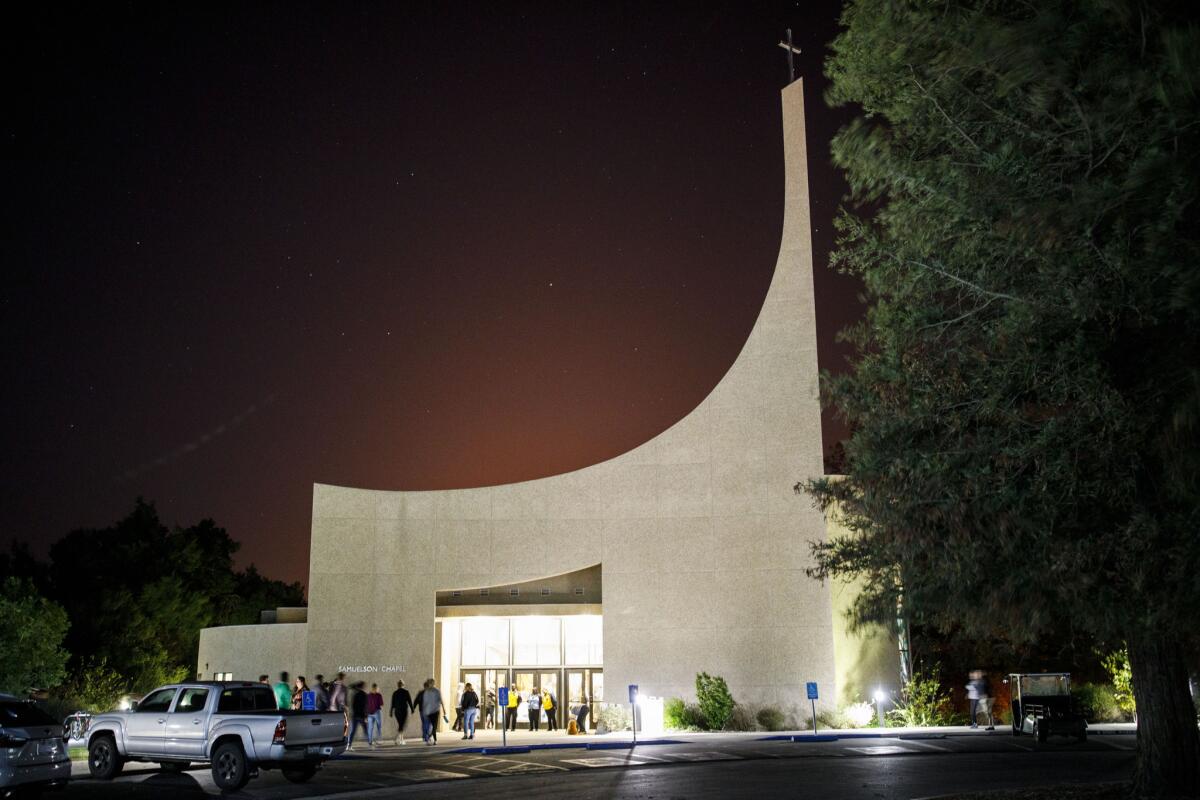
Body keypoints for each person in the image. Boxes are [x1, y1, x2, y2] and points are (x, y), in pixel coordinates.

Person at [419, 678, 447, 745]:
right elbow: (425, 702)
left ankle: (434, 739)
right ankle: (430, 739)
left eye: (431, 683)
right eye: (430, 683)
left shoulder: (436, 691)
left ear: (433, 683)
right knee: (429, 726)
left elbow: (440, 700)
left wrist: (444, 709)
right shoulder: (428, 692)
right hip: (429, 711)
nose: (430, 684)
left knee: (434, 726)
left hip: (435, 711)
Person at [348, 681, 370, 750]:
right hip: (362, 716)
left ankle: (349, 745)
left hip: (355, 715)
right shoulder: (364, 695)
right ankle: (370, 744)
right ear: (363, 687)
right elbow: (365, 707)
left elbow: (353, 705)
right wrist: (366, 716)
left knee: (353, 731)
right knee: (366, 730)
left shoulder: (355, 694)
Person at [390, 679, 413, 745]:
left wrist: (391, 711)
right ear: (403, 685)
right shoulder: (406, 692)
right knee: (402, 725)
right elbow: (409, 701)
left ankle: (402, 740)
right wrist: (412, 709)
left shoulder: (395, 693)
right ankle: (397, 738)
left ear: (398, 685)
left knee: (401, 725)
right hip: (404, 711)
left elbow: (393, 703)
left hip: (397, 711)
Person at [367, 683, 384, 747]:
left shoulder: (368, 695)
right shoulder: (379, 695)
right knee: (379, 727)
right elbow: (381, 704)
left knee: (370, 728)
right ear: (376, 688)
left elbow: (366, 705)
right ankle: (378, 740)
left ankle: (370, 741)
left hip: (369, 713)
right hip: (377, 712)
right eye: (377, 688)